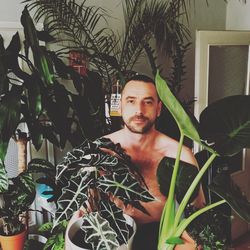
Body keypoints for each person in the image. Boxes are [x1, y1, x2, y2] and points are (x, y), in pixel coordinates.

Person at [66, 74, 205, 250]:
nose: (139, 110)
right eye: (131, 101)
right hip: (112, 240)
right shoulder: (98, 152)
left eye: (148, 102)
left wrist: (190, 243)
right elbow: (81, 211)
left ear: (159, 108)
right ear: (121, 106)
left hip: (160, 241)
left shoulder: (179, 156)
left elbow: (199, 215)